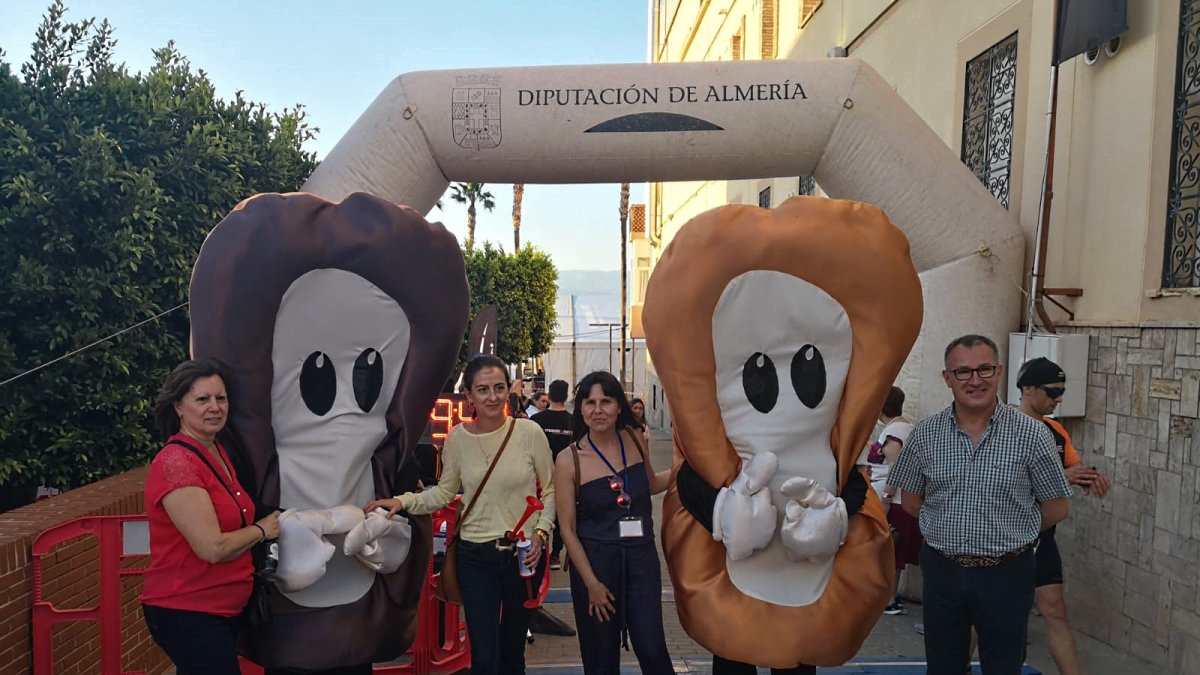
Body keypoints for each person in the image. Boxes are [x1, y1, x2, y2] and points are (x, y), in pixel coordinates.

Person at [887, 334, 1073, 675]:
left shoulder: (1033, 435)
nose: (976, 380)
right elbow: (912, 502)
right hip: (943, 572)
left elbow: (1057, 507)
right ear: (947, 378)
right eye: (963, 372)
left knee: (1003, 667)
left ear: (999, 371)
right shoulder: (926, 434)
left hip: (1008, 573)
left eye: (985, 369)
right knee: (944, 668)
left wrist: (1011, 533)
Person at [368, 354, 556, 675]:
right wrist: (402, 502)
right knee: (483, 657)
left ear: (508, 389)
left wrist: (541, 533)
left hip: (523, 557)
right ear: (468, 395)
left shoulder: (528, 433)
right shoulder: (456, 438)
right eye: (483, 390)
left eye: (499, 387)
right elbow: (443, 493)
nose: (492, 396)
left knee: (513, 654)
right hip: (475, 557)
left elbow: (550, 489)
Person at [141, 359, 281, 675]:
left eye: (221, 398)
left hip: (219, 609)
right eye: (202, 399)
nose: (214, 407)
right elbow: (212, 547)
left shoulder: (217, 452)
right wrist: (262, 530)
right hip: (187, 609)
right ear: (178, 406)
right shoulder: (176, 463)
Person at [554, 371, 674, 675]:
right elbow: (567, 529)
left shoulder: (634, 438)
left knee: (652, 647)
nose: (598, 410)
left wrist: (684, 468)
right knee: (601, 657)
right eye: (590, 402)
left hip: (641, 559)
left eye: (605, 401)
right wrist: (591, 584)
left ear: (618, 406)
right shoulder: (569, 460)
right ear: (580, 408)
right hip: (595, 564)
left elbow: (651, 484)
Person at [1015, 357, 1111, 675]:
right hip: (1004, 536)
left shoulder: (1055, 431)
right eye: (1052, 391)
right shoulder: (1001, 429)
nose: (1057, 399)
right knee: (990, 615)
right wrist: (1062, 477)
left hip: (1042, 536)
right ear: (1028, 389)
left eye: (1062, 392)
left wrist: (1089, 476)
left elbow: (1071, 468)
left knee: (1055, 611)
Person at [863, 386, 916, 616]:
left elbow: (895, 466)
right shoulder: (908, 427)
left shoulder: (895, 431)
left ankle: (888, 598)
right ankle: (887, 597)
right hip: (900, 497)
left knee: (889, 550)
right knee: (894, 550)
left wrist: (885, 498)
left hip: (892, 499)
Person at [531, 379, 573, 569]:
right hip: (566, 476)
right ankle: (555, 554)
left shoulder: (536, 422)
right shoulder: (574, 422)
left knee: (540, 511)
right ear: (566, 395)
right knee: (561, 514)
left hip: (538, 476)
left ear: (549, 394)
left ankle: (538, 548)